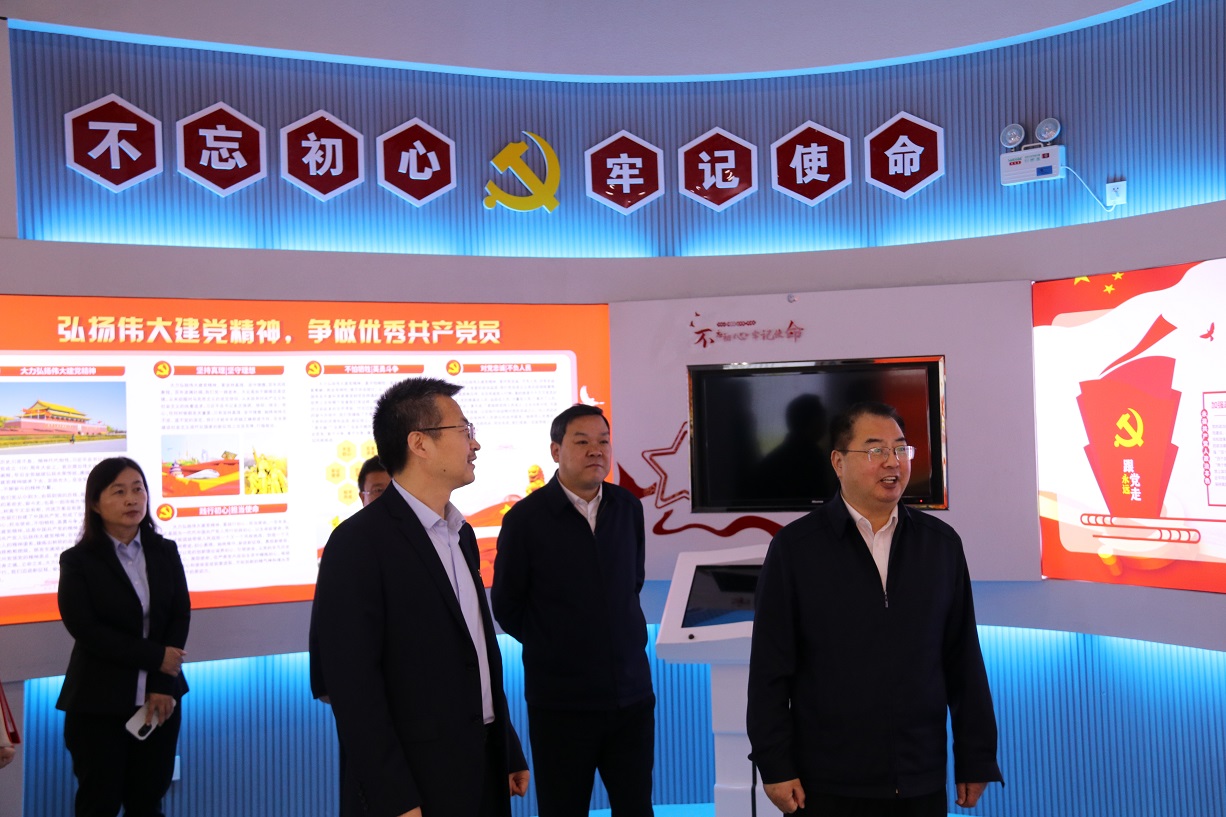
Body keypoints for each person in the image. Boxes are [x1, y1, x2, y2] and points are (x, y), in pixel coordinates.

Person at [747, 402, 1002, 816]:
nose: (892, 462)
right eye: (875, 450)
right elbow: (769, 670)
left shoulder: (940, 545)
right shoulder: (796, 549)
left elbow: (963, 660)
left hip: (919, 776)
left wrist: (977, 756)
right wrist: (774, 764)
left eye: (901, 449)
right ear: (838, 462)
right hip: (826, 781)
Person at [311, 377, 529, 817]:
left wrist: (506, 746)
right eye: (464, 430)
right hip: (415, 782)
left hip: (482, 767)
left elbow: (475, 653)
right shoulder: (358, 543)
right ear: (420, 444)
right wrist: (394, 797)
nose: (475, 443)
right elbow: (354, 687)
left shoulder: (461, 534)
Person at [493, 404, 654, 817]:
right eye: (582, 442)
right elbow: (507, 605)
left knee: (636, 807)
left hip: (631, 697)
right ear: (555, 450)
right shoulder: (525, 520)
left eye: (603, 442)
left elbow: (632, 582)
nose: (596, 450)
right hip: (561, 703)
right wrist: (557, 643)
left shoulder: (628, 507)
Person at [56, 457, 190, 817]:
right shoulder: (78, 561)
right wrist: (155, 657)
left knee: (147, 802)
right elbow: (86, 629)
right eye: (118, 491)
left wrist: (162, 681)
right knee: (98, 802)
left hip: (159, 700)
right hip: (98, 702)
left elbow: (179, 614)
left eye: (138, 489)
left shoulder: (165, 551)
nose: (132, 499)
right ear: (95, 504)